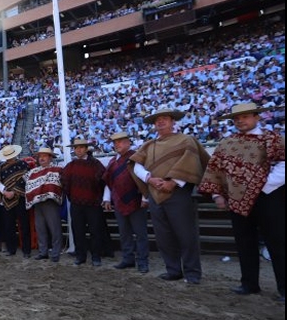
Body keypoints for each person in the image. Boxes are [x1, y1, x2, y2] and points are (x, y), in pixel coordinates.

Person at [198, 102, 285, 300]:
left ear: (256, 117)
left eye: (245, 117)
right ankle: (249, 283)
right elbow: (215, 170)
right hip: (236, 199)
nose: (240, 120)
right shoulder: (227, 143)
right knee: (244, 242)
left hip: (268, 198)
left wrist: (263, 185)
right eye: (237, 118)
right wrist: (216, 194)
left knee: (278, 242)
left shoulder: (272, 139)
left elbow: (283, 163)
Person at [131, 107, 210, 284]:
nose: (160, 121)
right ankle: (173, 270)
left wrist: (173, 182)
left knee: (186, 235)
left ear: (172, 121)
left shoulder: (186, 140)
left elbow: (191, 163)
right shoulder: (148, 145)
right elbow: (136, 166)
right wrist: (150, 179)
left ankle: (192, 273)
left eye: (164, 118)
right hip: (155, 193)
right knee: (163, 236)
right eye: (157, 119)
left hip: (179, 193)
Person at [102, 132, 149, 273]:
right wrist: (106, 198)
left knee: (140, 233)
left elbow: (143, 177)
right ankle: (128, 258)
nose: (117, 145)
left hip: (136, 199)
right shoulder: (112, 162)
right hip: (118, 200)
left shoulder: (136, 157)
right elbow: (109, 182)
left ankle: (142, 261)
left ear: (128, 142)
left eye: (121, 142)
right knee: (124, 233)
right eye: (115, 143)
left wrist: (145, 197)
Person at [61, 139, 107, 266]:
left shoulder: (96, 164)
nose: (79, 150)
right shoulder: (71, 165)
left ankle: (96, 256)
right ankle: (81, 256)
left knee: (95, 230)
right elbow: (64, 181)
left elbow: (103, 180)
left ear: (87, 148)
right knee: (78, 230)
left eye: (81, 147)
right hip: (76, 203)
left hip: (93, 203)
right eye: (76, 148)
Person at [24, 147, 64, 263]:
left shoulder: (57, 169)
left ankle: (56, 252)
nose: (41, 158)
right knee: (40, 228)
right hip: (37, 203)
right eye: (40, 156)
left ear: (50, 158)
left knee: (54, 227)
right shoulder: (33, 172)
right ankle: (43, 252)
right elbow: (27, 185)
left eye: (44, 156)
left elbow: (59, 184)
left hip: (50, 202)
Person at [0, 145, 32, 258]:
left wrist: (14, 192)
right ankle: (11, 249)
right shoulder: (1, 167)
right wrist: (5, 191)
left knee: (24, 225)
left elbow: (26, 179)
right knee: (9, 225)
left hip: (20, 197)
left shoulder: (23, 164)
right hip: (6, 198)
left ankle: (26, 250)